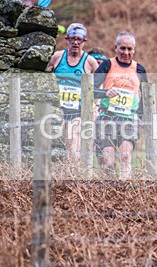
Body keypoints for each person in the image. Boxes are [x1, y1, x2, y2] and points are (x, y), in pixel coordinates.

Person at [94, 31, 148, 179]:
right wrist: (105, 93)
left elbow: (146, 97)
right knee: (108, 161)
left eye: (129, 49)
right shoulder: (107, 65)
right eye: (122, 48)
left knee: (125, 157)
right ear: (116, 48)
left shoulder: (140, 69)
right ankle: (108, 193)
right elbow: (89, 89)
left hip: (129, 119)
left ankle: (125, 193)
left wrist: (140, 117)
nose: (126, 52)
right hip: (107, 118)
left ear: (134, 50)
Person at [47, 22, 99, 161]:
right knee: (56, 144)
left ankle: (74, 175)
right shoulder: (57, 57)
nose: (75, 42)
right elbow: (45, 79)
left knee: (72, 140)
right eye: (73, 38)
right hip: (57, 109)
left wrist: (96, 107)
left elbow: (100, 86)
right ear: (67, 40)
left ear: (84, 41)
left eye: (79, 39)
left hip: (78, 110)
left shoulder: (90, 62)